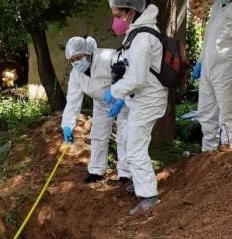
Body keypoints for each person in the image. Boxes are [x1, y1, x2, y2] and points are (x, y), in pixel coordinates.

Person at [105, 0, 168, 215]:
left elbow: (137, 78)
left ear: (131, 12)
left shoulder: (142, 38)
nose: (116, 20)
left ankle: (149, 195)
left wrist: (114, 92)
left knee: (134, 147)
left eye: (118, 15)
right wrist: (123, 96)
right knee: (127, 140)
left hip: (148, 100)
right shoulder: (137, 33)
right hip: (141, 98)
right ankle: (139, 182)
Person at [61, 36, 130, 184]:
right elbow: (72, 101)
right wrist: (67, 124)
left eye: (78, 57)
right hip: (101, 103)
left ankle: (125, 174)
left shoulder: (107, 58)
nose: (76, 62)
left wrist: (120, 97)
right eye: (72, 60)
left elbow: (129, 75)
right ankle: (97, 171)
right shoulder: (76, 75)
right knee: (98, 135)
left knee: (124, 135)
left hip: (123, 100)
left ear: (87, 54)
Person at [192, 0, 232, 152]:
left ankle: (228, 151)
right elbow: (209, 37)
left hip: (228, 69)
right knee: (206, 112)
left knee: (227, 114)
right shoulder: (217, 6)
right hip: (208, 68)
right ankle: (208, 151)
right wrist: (201, 61)